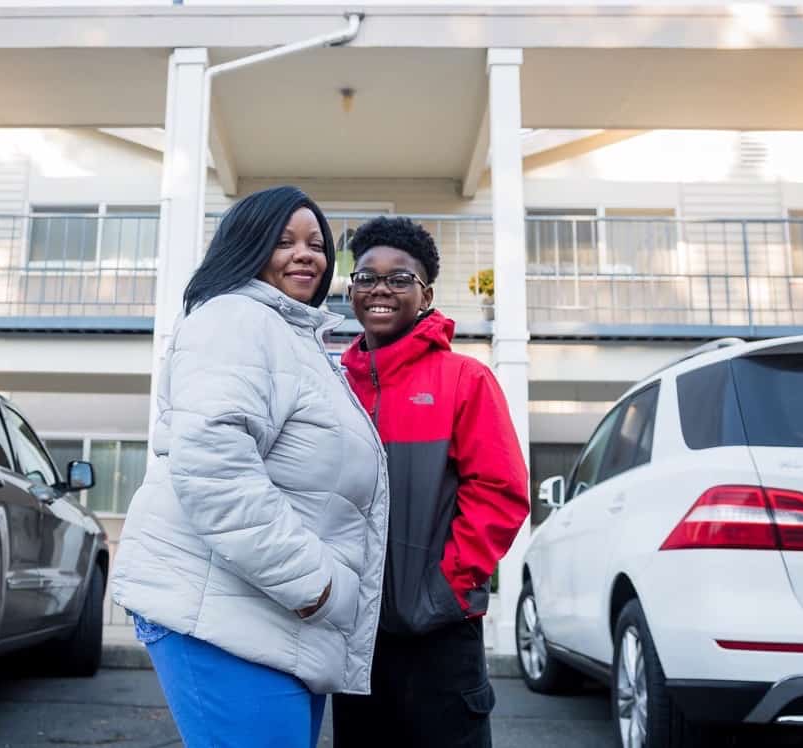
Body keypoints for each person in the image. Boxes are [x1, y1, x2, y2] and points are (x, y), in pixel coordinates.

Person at [109, 186, 390, 748]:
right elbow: (214, 467)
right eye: (283, 241)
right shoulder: (236, 320)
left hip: (273, 616)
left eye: (315, 242)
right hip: (227, 616)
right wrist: (315, 586)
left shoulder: (298, 339)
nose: (304, 253)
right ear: (248, 246)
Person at [332, 216, 531, 748]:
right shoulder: (332, 386)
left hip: (441, 633)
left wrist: (445, 588)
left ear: (426, 296)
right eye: (366, 276)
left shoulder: (465, 380)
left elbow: (500, 493)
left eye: (399, 279)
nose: (379, 288)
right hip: (355, 635)